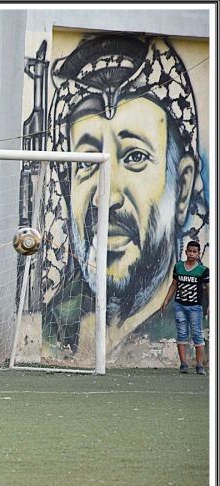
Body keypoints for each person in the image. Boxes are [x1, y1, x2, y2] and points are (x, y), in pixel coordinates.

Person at [41, 34, 208, 356]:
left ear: (184, 185)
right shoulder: (52, 320)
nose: (106, 198)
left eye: (134, 157)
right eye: (86, 163)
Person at [159, 241, 210, 374]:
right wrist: (166, 300)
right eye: (190, 251)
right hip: (180, 305)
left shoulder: (203, 270)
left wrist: (210, 304)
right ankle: (183, 364)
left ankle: (200, 365)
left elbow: (208, 288)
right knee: (182, 333)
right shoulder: (178, 267)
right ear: (186, 252)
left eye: (195, 251)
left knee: (197, 334)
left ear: (198, 254)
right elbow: (174, 284)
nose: (192, 254)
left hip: (195, 307)